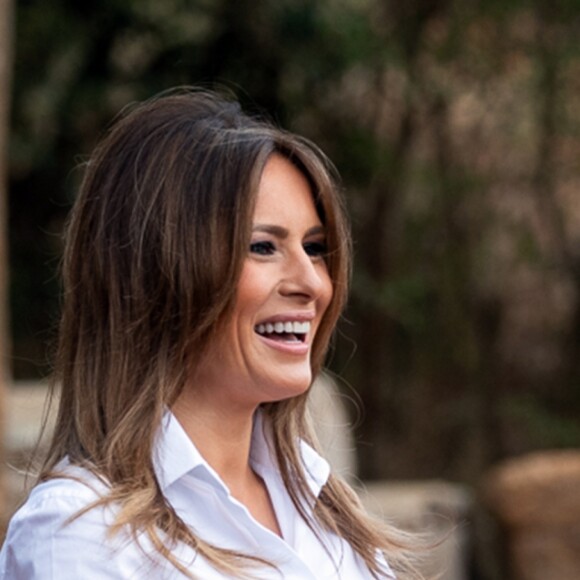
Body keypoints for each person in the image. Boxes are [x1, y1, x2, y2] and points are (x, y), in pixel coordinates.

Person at [0, 89, 420, 578]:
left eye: (315, 247)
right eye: (263, 247)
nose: (312, 282)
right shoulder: (81, 535)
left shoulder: (326, 513)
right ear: (158, 273)